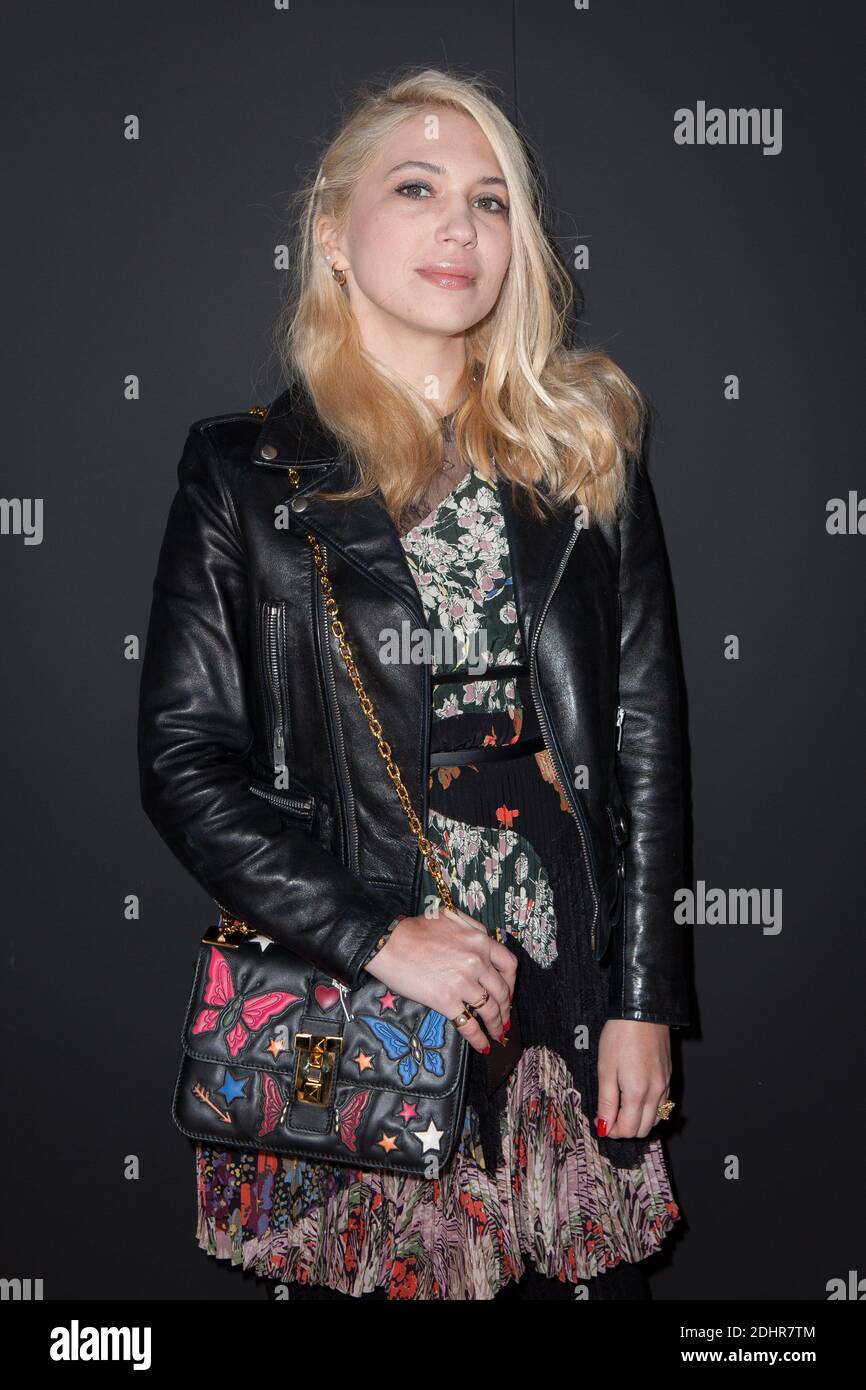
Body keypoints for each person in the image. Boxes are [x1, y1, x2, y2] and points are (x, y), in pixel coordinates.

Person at [138, 66, 690, 1301]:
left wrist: (642, 997)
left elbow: (643, 737)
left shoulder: (584, 446)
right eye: (417, 187)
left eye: (492, 201)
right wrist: (379, 935)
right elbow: (185, 763)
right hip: (359, 985)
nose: (461, 225)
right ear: (332, 235)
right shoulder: (244, 472)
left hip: (562, 977)